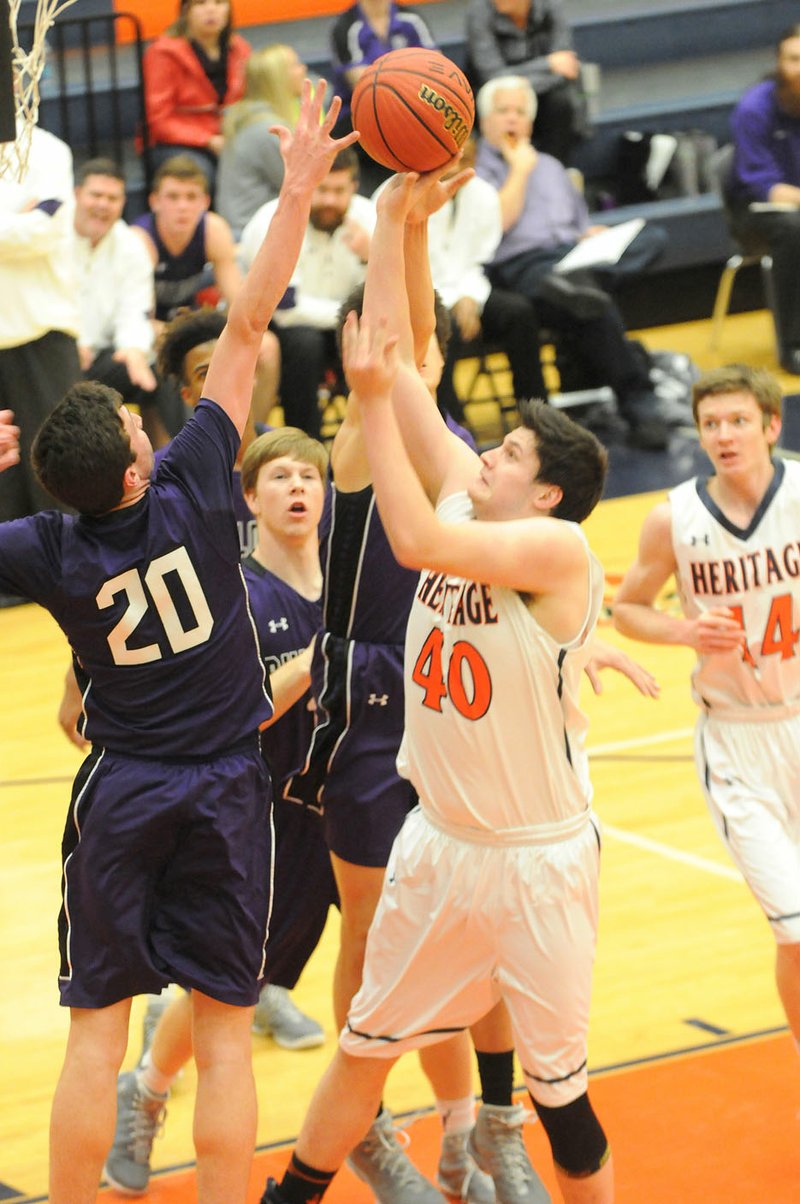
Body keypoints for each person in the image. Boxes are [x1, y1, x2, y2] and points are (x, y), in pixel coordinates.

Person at [0, 79, 356, 1204]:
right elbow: (247, 319)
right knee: (221, 1037)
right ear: (142, 462)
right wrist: (295, 188)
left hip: (123, 791)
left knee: (95, 1037)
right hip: (221, 791)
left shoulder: (48, 546)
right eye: (131, 423)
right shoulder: (205, 477)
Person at [261, 165, 616, 1204]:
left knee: (562, 1096)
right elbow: (408, 362)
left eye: (502, 450)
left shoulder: (553, 551)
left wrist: (372, 400)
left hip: (536, 858)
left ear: (542, 490)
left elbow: (408, 532)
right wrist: (392, 223)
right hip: (440, 843)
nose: (480, 455)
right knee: (363, 1048)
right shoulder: (475, 502)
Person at [102, 427, 339, 1195]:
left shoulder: (349, 580)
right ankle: (147, 1086)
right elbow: (243, 708)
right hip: (255, 813)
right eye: (281, 477)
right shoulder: (231, 591)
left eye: (311, 475)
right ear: (250, 498)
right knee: (225, 989)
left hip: (343, 807)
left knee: (376, 975)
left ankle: (367, 1124)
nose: (298, 488)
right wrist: (317, 663)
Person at [612, 363, 800, 1077]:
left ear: (771, 426)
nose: (723, 436)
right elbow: (628, 607)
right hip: (738, 740)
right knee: (795, 934)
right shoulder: (675, 518)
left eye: (737, 421)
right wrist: (683, 633)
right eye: (711, 424)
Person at [474, 75, 672, 451]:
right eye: (503, 111)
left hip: (572, 257)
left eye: (520, 112)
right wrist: (519, 170)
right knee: (593, 305)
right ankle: (641, 407)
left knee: (652, 238)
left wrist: (591, 236)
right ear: (485, 121)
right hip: (522, 267)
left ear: (531, 122)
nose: (512, 119)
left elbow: (578, 224)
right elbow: (493, 227)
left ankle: (582, 280)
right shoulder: (476, 170)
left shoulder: (551, 165)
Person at [133, 155, 280, 428]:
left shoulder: (213, 230)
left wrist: (231, 336)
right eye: (173, 197)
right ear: (154, 201)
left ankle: (248, 441)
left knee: (267, 347)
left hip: (188, 324)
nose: (183, 207)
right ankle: (167, 450)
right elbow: (139, 322)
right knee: (166, 352)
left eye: (191, 197)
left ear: (205, 202)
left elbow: (240, 307)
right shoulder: (140, 240)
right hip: (146, 331)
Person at [240, 146, 376, 438]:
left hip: (346, 325)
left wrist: (370, 258)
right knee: (305, 344)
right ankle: (304, 443)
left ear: (354, 187)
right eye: (322, 189)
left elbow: (388, 296)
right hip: (283, 329)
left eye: (339, 191)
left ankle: (376, 445)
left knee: (378, 336)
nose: (329, 200)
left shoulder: (370, 217)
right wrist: (350, 315)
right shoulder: (273, 220)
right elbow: (287, 310)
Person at [421, 137, 548, 422]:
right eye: (449, 161)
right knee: (442, 326)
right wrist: (456, 300)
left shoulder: (484, 195)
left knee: (519, 313)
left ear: (475, 161)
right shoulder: (408, 193)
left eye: (466, 161)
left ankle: (537, 415)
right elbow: (415, 267)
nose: (456, 170)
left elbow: (479, 260)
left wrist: (469, 298)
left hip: (469, 290)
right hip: (421, 297)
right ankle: (451, 426)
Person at [0, 119, 80, 532]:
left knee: (58, 458)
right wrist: (16, 219)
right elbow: (27, 230)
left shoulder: (48, 150)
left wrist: (29, 225)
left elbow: (45, 230)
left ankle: (74, 577)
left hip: (42, 327)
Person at [72, 158, 170, 447]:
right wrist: (72, 343)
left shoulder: (131, 245)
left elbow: (135, 309)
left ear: (123, 202)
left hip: (105, 356)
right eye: (96, 195)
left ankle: (179, 462)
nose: (103, 205)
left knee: (164, 366)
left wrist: (135, 349)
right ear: (77, 194)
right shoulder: (50, 236)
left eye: (112, 198)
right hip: (54, 351)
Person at [729, 25, 800, 374]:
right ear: (779, 64)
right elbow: (763, 186)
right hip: (757, 212)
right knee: (793, 228)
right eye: (794, 59)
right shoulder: (754, 109)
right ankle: (793, 345)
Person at [142, 0, 251, 194]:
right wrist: (208, 140)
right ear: (186, 11)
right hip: (176, 142)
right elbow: (159, 120)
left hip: (227, 136)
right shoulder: (162, 53)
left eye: (219, 2)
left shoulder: (240, 48)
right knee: (199, 176)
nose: (211, 10)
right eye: (200, 3)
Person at [329, 0, 438, 191]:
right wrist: (411, 78)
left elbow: (437, 69)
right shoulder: (346, 27)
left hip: (411, 110)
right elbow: (365, 84)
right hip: (358, 118)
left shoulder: (412, 20)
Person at [466, 0, 590, 165]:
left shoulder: (551, 6)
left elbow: (566, 66)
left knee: (561, 101)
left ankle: (554, 170)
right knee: (502, 106)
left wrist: (518, 79)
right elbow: (492, 76)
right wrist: (547, 64)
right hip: (496, 93)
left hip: (544, 93)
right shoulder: (479, 11)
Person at [216, 43, 306, 240]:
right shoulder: (269, 130)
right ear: (278, 79)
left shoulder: (249, 117)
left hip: (245, 228)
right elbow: (301, 186)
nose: (303, 70)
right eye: (295, 65)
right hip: (252, 234)